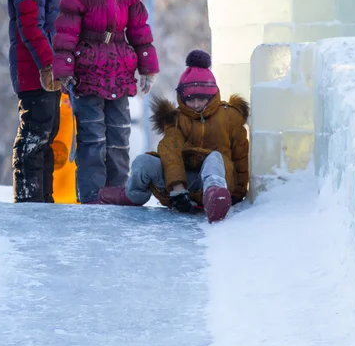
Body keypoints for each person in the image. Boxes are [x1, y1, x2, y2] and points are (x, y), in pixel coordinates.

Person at [53, 0, 159, 204]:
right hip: (87, 72)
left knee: (119, 137)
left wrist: (147, 68)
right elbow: (65, 35)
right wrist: (64, 70)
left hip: (119, 71)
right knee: (92, 138)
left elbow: (139, 29)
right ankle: (91, 195)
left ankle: (117, 191)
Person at [98, 50, 249, 223]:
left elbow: (241, 156)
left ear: (212, 95)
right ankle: (133, 194)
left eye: (202, 99)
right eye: (191, 99)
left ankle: (215, 198)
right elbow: (171, 152)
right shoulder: (176, 119)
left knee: (214, 158)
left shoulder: (229, 116)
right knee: (144, 161)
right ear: (182, 96)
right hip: (178, 186)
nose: (196, 104)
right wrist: (178, 189)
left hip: (213, 181)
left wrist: (238, 194)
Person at [0, 0, 73, 202]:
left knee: (48, 135)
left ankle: (44, 199)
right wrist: (47, 64)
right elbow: (31, 25)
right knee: (34, 135)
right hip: (36, 71)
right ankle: (29, 200)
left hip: (52, 72)